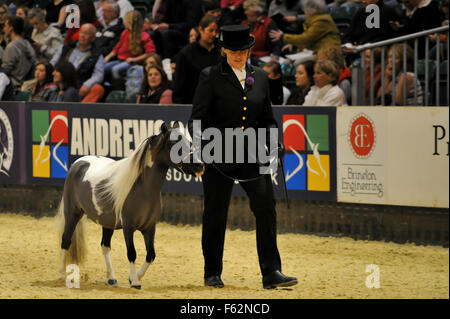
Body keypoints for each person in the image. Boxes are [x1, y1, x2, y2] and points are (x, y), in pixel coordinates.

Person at [188, 25, 298, 289]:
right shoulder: (210, 76)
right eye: (233, 51)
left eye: (242, 51)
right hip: (218, 153)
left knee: (265, 207)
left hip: (251, 152)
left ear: (249, 50)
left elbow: (267, 119)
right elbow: (196, 120)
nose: (238, 55)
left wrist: (274, 145)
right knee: (215, 213)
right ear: (224, 50)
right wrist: (203, 149)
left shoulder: (259, 77)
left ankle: (272, 272)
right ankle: (212, 272)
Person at [172, 14, 221, 104]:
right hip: (193, 105)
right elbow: (178, 85)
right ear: (200, 30)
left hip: (217, 106)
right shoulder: (186, 53)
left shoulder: (220, 52)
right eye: (210, 30)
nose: (214, 34)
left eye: (216, 31)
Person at [50, 23, 105, 103]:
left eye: (86, 34)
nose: (82, 35)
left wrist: (87, 85)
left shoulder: (97, 54)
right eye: (81, 32)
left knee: (98, 89)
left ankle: (80, 110)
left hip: (80, 84)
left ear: (93, 38)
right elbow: (53, 62)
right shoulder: (66, 47)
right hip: (61, 81)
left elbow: (98, 75)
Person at [269, 0, 341, 55]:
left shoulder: (321, 20)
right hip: (319, 51)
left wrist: (283, 37)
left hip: (328, 53)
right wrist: (293, 43)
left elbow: (306, 39)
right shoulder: (314, 20)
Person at [104, 10, 156, 84]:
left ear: (130, 22)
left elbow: (150, 53)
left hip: (133, 62)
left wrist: (134, 59)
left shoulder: (144, 36)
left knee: (115, 70)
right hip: (121, 59)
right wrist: (108, 57)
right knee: (103, 68)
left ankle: (120, 90)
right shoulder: (125, 33)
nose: (124, 22)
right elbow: (117, 48)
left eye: (126, 20)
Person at [1, 15, 36, 90]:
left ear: (11, 28)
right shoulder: (27, 43)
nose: (4, 29)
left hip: (13, 87)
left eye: (5, 26)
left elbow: (5, 72)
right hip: (24, 85)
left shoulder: (11, 47)